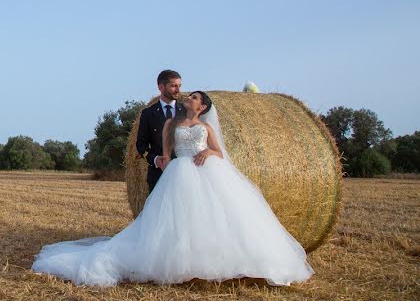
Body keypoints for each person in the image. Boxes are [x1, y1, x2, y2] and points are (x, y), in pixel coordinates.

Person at [31, 91, 314, 286]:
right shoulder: (170, 123)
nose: (188, 98)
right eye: (189, 95)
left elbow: (219, 152)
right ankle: (181, 263)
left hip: (207, 170)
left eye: (194, 97)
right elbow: (167, 153)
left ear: (201, 107)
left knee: (216, 216)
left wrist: (208, 154)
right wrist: (164, 163)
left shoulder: (205, 126)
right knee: (177, 219)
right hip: (180, 172)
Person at [136, 69, 182, 192]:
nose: (178, 90)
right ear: (161, 87)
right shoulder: (148, 114)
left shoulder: (186, 111)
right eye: (173, 86)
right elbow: (141, 145)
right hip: (158, 175)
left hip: (183, 174)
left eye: (179, 86)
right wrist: (155, 159)